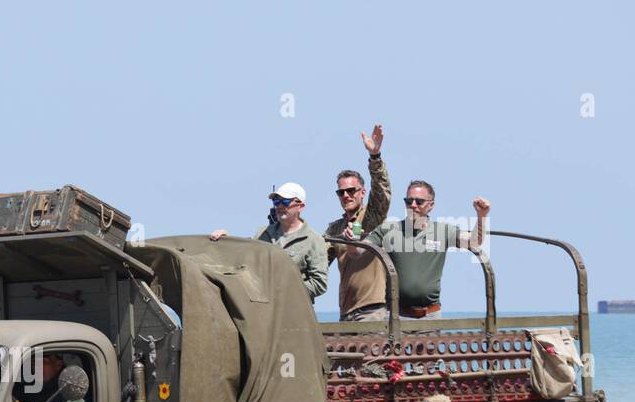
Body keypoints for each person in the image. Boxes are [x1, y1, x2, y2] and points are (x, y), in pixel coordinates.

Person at [365, 181, 490, 319]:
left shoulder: (442, 231)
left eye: (419, 202)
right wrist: (352, 239)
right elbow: (360, 249)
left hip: (431, 315)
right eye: (408, 201)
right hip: (396, 316)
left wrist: (482, 216)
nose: (413, 205)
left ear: (431, 205)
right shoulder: (388, 229)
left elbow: (474, 241)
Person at [209, 182, 329, 302]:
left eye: (285, 201)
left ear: (301, 206)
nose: (280, 206)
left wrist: (285, 291)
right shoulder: (262, 233)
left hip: (294, 311)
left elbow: (319, 283)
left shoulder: (314, 240)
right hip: (263, 309)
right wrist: (226, 240)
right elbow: (242, 255)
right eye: (276, 201)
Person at [326, 124, 392, 321]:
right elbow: (316, 258)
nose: (346, 195)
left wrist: (375, 157)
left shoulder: (372, 219)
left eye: (351, 191)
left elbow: (382, 193)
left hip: (372, 311)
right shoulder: (335, 228)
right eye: (341, 192)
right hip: (347, 312)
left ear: (362, 193)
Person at [13, 351, 87, 402]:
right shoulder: (23, 390)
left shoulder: (67, 393)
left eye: (43, 362)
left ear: (58, 365)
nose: (36, 367)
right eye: (34, 363)